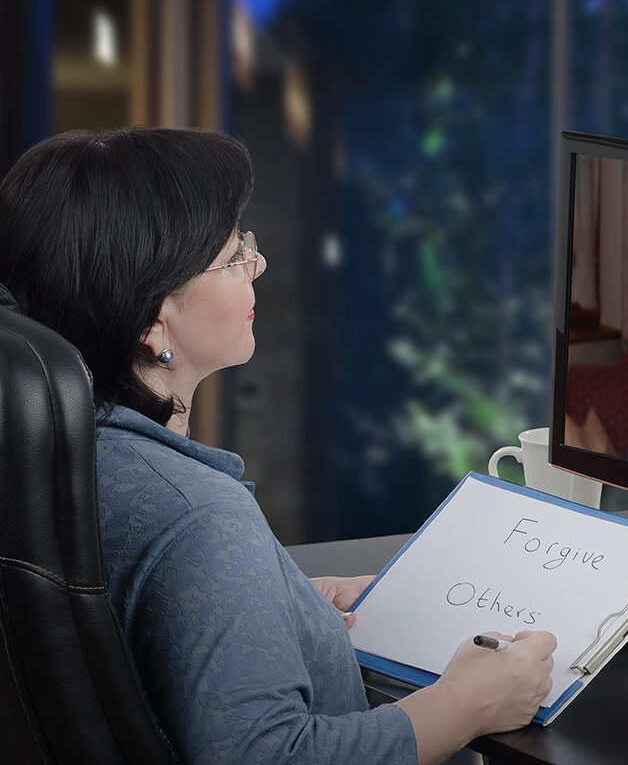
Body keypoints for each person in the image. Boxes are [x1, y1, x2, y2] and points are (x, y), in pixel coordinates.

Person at [0, 127, 556, 765]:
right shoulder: (197, 516)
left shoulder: (60, 458)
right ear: (155, 321)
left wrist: (283, 601)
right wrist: (470, 703)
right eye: (233, 254)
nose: (257, 264)